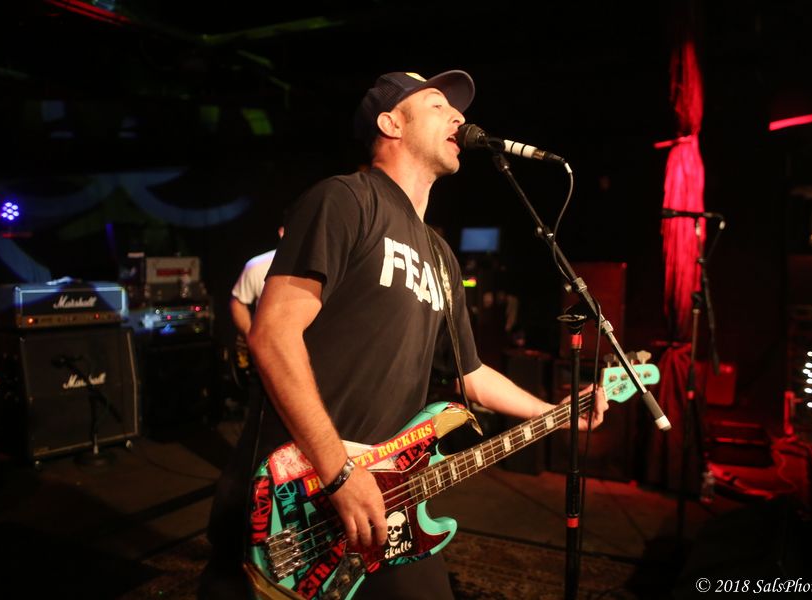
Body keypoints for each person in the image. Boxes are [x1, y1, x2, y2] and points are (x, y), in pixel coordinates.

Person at [199, 69, 608, 600]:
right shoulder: (346, 200)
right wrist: (338, 472)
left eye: (456, 109)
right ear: (391, 123)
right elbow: (272, 334)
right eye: (438, 104)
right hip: (294, 496)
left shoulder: (441, 256)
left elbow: (470, 373)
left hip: (386, 495)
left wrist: (554, 412)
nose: (458, 117)